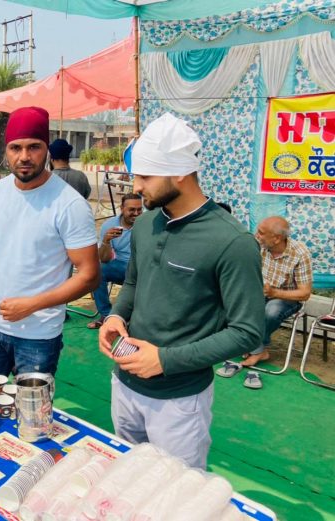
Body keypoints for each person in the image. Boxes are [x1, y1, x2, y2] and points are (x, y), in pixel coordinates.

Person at [98, 113, 264, 469]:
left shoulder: (231, 241)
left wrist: (165, 360)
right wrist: (115, 316)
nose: (137, 186)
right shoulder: (144, 225)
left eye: (145, 176)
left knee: (177, 497)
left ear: (179, 174)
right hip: (124, 386)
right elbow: (133, 283)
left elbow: (247, 332)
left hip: (179, 402)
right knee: (127, 477)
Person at [0, 106, 100, 377]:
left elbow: (89, 276)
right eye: (16, 148)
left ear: (47, 148)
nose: (24, 157)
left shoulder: (69, 204)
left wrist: (32, 305)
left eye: (34, 147)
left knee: (32, 415)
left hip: (38, 334)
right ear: (5, 150)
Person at [243, 216, 312, 368]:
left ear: (276, 239)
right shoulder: (258, 245)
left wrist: (274, 293)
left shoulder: (300, 253)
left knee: (271, 311)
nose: (256, 235)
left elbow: (305, 293)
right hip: (260, 293)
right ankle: (249, 344)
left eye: (261, 233)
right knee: (233, 302)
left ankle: (259, 349)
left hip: (287, 298)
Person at [87, 193, 143, 329]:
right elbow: (104, 259)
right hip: (122, 267)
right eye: (131, 210)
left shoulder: (146, 224)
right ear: (122, 209)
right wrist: (106, 241)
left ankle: (132, 319)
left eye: (139, 209)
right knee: (97, 270)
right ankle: (106, 315)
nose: (136, 213)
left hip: (142, 268)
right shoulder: (110, 225)